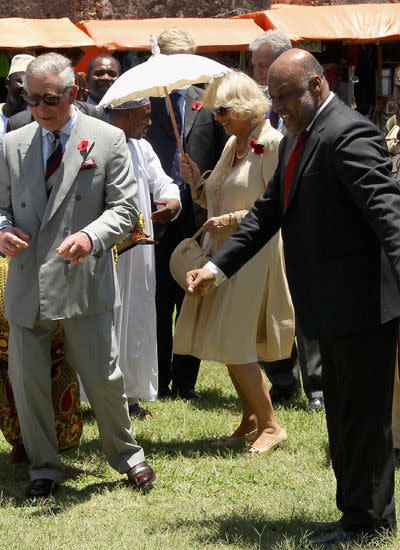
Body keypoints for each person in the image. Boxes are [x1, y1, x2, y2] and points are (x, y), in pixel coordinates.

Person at [186, 49, 400, 546]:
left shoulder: (347, 133)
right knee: (341, 413)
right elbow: (267, 212)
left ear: (319, 85)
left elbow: (388, 214)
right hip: (327, 304)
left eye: (285, 96)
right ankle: (354, 512)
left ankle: (369, 520)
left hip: (363, 305)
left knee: (362, 418)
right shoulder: (300, 137)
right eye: (273, 96)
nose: (277, 105)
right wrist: (218, 266)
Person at [0, 53, 155, 499]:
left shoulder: (107, 139)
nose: (41, 108)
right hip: (28, 282)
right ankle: (43, 467)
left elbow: (125, 209)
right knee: (27, 380)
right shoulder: (14, 142)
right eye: (31, 99)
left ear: (75, 92)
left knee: (103, 376)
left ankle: (128, 456)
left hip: (82, 276)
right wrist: (3, 228)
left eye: (50, 98)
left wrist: (90, 237)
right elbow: (2, 204)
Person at [175, 71, 294, 455]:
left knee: (235, 340)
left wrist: (230, 220)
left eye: (224, 109)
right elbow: (216, 199)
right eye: (216, 111)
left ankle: (272, 425)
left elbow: (278, 207)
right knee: (227, 341)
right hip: (223, 254)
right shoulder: (233, 144)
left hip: (255, 254)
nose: (218, 117)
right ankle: (252, 419)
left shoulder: (272, 143)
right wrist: (197, 183)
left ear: (245, 104)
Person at [146, 28, 227, 399]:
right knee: (159, 301)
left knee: (191, 298)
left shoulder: (206, 103)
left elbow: (223, 159)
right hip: (157, 217)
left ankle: (186, 381)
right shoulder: (144, 104)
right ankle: (159, 379)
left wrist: (203, 181)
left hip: (198, 218)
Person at [250, 30, 324, 412]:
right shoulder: (271, 119)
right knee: (275, 309)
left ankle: (317, 385)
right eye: (258, 69)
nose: (273, 101)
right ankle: (281, 378)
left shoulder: (332, 126)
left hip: (310, 240)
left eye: (265, 66)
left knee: (305, 309)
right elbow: (267, 200)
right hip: (275, 232)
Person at [108, 98, 181, 417]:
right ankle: (99, 395)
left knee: (136, 318)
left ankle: (131, 395)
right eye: (145, 115)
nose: (150, 122)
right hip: (104, 251)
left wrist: (172, 200)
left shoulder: (142, 148)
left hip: (139, 255)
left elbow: (163, 181)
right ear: (124, 114)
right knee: (105, 321)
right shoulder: (97, 144)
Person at [0, 54, 34, 141]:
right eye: (21, 81)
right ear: (7, 83)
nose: (26, 87)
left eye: (31, 83)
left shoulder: (36, 121)